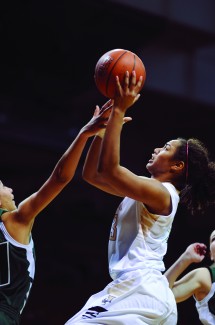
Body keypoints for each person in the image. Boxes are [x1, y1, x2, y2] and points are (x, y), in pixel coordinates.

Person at [64, 70, 215, 325]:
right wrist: (100, 135)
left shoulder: (161, 193)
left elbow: (109, 170)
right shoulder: (146, 190)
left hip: (140, 290)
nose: (156, 149)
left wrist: (119, 112)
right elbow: (92, 175)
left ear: (177, 166)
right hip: (139, 292)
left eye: (165, 148)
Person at [0, 106, 111, 325]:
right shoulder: (14, 221)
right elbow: (59, 178)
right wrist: (85, 134)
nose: (10, 189)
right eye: (3, 186)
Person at [165, 230, 215, 325]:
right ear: (211, 255)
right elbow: (158, 293)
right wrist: (186, 258)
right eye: (214, 239)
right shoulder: (204, 276)